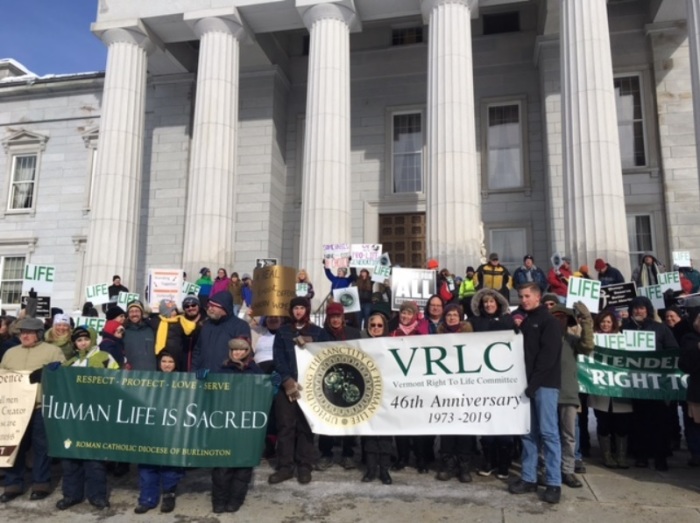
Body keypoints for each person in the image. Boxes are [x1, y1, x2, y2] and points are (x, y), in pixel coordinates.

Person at [0, 317, 65, 503]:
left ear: (38, 334)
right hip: (15, 408)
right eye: (22, 332)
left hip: (39, 406)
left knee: (40, 446)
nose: (25, 336)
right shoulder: (10, 353)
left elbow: (61, 372)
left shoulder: (53, 351)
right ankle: (13, 484)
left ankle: (40, 483)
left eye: (29, 332)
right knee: (15, 445)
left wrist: (47, 373)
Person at [508, 283, 562, 504]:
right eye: (521, 296)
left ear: (538, 297)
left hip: (545, 385)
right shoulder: (527, 320)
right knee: (528, 433)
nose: (523, 300)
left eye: (527, 296)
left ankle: (553, 482)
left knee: (549, 434)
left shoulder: (549, 322)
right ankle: (529, 477)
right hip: (528, 385)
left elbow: (547, 358)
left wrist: (533, 384)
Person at [56, 326, 118, 511]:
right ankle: (72, 495)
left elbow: (117, 380)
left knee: (94, 457)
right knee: (70, 456)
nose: (83, 342)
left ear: (92, 339)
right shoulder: (71, 363)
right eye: (78, 340)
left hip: (96, 416)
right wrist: (52, 372)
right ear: (74, 343)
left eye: (86, 339)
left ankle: (97, 495)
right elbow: (59, 386)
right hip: (74, 418)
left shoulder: (104, 357)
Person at [268, 297, 329, 485]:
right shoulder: (283, 332)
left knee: (305, 427)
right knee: (286, 427)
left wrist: (312, 344)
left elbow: (326, 356)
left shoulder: (319, 333)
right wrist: (287, 380)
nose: (298, 311)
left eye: (302, 308)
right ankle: (285, 466)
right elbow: (277, 358)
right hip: (287, 386)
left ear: (307, 310)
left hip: (310, 388)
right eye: (295, 308)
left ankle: (304, 466)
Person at [206, 338, 263, 513]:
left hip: (246, 426)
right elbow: (210, 395)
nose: (237, 353)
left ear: (248, 351)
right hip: (225, 425)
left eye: (242, 350)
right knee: (222, 465)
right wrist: (204, 381)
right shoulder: (221, 370)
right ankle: (219, 500)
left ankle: (235, 500)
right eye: (234, 350)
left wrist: (272, 388)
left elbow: (263, 396)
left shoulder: (255, 371)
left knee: (243, 465)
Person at [622, 296, 679, 470]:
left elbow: (673, 351)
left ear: (648, 310)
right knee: (638, 421)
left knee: (659, 421)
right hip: (635, 383)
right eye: (635, 308)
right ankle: (641, 455)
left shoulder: (660, 328)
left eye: (642, 308)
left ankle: (660, 456)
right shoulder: (626, 328)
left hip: (656, 384)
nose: (638, 311)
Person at [134, 351, 185, 514]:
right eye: (164, 361)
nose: (167, 364)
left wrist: (202, 379)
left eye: (171, 361)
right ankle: (147, 498)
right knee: (148, 462)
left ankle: (169, 495)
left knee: (170, 464)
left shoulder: (185, 381)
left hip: (173, 429)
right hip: (152, 428)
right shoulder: (150, 379)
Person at [549, 303, 594, 489]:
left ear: (568, 321)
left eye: (562, 317)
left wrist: (587, 322)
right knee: (548, 435)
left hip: (568, 393)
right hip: (547, 393)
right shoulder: (544, 339)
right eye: (555, 317)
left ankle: (567, 470)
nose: (559, 320)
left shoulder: (572, 340)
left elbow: (588, 345)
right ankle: (547, 468)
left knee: (569, 436)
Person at [318, 302, 361, 471]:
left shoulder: (353, 333)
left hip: (349, 379)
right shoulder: (322, 335)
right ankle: (326, 453)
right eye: (332, 317)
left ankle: (347, 453)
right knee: (327, 418)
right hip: (328, 380)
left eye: (338, 316)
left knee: (348, 417)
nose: (335, 320)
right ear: (328, 319)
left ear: (343, 317)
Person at [435, 303, 475, 482]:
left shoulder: (471, 336)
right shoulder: (438, 336)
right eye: (449, 315)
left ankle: (464, 464)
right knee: (447, 425)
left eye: (455, 315)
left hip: (465, 387)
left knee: (465, 425)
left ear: (460, 317)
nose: (452, 317)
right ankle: (447, 463)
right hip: (445, 387)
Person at [588, 311, 632, 469]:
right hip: (600, 389)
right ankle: (607, 455)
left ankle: (621, 456)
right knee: (604, 423)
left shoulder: (624, 339)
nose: (605, 325)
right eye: (602, 322)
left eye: (608, 322)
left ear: (614, 323)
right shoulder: (592, 339)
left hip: (621, 389)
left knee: (622, 425)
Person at [391, 301, 431, 473]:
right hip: (399, 384)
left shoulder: (421, 333)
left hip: (418, 383)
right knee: (401, 424)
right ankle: (403, 457)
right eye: (403, 313)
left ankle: (421, 459)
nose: (405, 317)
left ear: (415, 315)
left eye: (409, 314)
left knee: (418, 424)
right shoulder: (393, 333)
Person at [361, 308, 394, 485]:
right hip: (368, 394)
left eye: (379, 325)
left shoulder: (391, 344)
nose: (375, 328)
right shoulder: (361, 344)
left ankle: (384, 470)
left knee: (385, 434)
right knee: (370, 433)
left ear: (384, 327)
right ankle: (371, 469)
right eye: (372, 325)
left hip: (387, 394)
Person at [191, 291, 252, 373]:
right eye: (209, 306)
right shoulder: (206, 325)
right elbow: (197, 351)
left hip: (227, 377)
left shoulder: (240, 326)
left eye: (214, 306)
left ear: (225, 308)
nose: (210, 309)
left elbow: (244, 354)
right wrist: (193, 371)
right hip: (203, 377)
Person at [151, 299, 197, 372]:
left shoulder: (181, 321)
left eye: (175, 310)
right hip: (161, 357)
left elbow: (188, 333)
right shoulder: (156, 321)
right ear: (165, 312)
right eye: (172, 311)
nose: (175, 313)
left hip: (176, 357)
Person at [679, 313, 700, 467]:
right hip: (697, 390)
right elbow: (684, 364)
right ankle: (696, 454)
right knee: (694, 424)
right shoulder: (690, 339)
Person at [123, 300, 156, 371]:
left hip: (151, 375)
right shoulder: (123, 331)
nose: (134, 314)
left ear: (142, 313)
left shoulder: (151, 329)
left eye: (137, 311)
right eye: (131, 311)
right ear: (128, 314)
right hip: (130, 375)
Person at [181, 295, 205, 371]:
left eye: (193, 305)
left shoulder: (206, 322)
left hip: (200, 363)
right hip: (182, 364)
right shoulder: (180, 322)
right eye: (187, 306)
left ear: (198, 305)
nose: (190, 308)